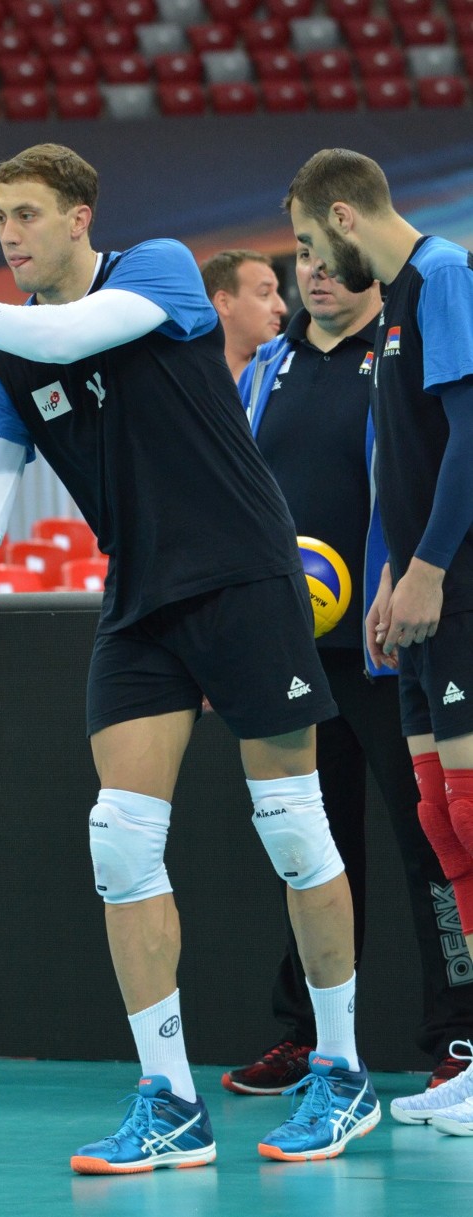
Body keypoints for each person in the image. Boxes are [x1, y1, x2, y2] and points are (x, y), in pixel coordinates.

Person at [0, 143, 380, 1168]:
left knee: (296, 830)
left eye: (29, 215)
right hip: (140, 598)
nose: (9, 233)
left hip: (249, 576)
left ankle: (343, 1072)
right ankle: (169, 1098)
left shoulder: (159, 272)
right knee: (121, 843)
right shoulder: (8, 363)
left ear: (82, 217)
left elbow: (82, 330)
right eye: (0, 216)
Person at [208, 244, 473, 1098]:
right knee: (311, 853)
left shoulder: (395, 355)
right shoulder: (267, 369)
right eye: (304, 262)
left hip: (391, 651)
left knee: (432, 846)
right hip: (292, 656)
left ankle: (460, 1037)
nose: (314, 275)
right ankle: (314, 1039)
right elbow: (239, 502)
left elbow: (425, 478)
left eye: (330, 259)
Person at [285, 147, 473, 1136]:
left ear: (347, 217)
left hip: (459, 594)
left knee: (469, 821)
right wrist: (395, 564)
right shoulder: (401, 297)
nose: (309, 265)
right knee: (443, 823)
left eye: (315, 243)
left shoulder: (443, 277)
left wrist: (432, 563)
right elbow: (406, 454)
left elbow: (471, 433)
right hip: (416, 599)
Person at [199, 250, 287, 381]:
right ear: (224, 303)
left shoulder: (285, 380)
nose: (281, 308)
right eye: (264, 293)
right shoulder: (182, 380)